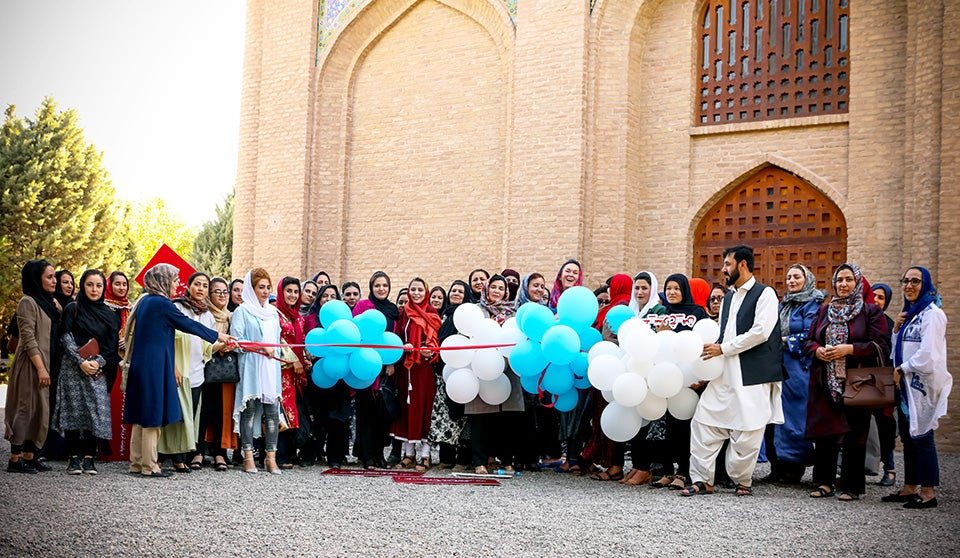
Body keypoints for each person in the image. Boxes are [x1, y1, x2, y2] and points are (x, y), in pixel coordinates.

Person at [682, 245, 785, 496]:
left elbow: (760, 332)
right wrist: (704, 368)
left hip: (751, 372)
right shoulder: (728, 297)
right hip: (723, 372)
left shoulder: (765, 294)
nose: (723, 269)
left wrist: (723, 349)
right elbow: (723, 335)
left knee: (748, 430)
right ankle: (702, 479)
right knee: (704, 421)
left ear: (742, 265)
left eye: (727, 264)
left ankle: (742, 481)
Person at [123, 264, 231, 478]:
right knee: (152, 415)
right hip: (154, 366)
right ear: (163, 281)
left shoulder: (144, 301)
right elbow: (187, 324)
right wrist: (218, 336)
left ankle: (136, 463)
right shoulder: (162, 303)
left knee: (139, 415)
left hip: (140, 363)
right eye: (174, 280)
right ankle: (150, 466)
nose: (177, 285)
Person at [804, 263, 889, 501]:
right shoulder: (824, 311)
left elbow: (879, 345)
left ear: (858, 282)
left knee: (855, 432)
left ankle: (851, 485)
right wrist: (818, 350)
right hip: (825, 381)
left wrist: (849, 349)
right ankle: (824, 482)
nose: (843, 284)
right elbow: (809, 340)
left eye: (848, 279)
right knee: (825, 433)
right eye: (839, 280)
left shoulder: (870, 312)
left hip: (856, 381)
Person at [882, 267, 952, 509]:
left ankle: (928, 492)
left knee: (923, 436)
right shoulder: (910, 314)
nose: (909, 285)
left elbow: (928, 355)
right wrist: (895, 330)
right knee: (909, 437)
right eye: (906, 281)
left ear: (926, 284)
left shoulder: (932, 314)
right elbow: (897, 350)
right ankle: (910, 487)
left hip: (922, 385)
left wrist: (903, 369)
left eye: (915, 281)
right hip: (906, 386)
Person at [52, 269, 120, 475]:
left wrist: (97, 363)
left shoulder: (110, 314)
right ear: (83, 285)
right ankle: (73, 458)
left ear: (103, 288)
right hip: (73, 367)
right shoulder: (73, 308)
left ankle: (90, 457)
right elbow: (65, 336)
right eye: (90, 284)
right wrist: (80, 361)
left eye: (99, 285)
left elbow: (111, 345)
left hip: (97, 370)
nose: (94, 289)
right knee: (73, 411)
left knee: (93, 411)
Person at [648, 273, 710, 490]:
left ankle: (683, 472)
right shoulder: (663, 314)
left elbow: (704, 342)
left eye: (676, 288)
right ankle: (667, 471)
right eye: (669, 288)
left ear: (684, 290)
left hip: (689, 380)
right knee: (666, 427)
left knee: (684, 426)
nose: (672, 292)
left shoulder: (697, 313)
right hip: (666, 379)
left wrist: (702, 376)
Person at [766, 264, 824, 484]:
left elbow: (812, 333)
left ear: (807, 279)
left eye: (797, 277)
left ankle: (795, 466)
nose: (791, 281)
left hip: (799, 368)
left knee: (795, 416)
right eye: (788, 277)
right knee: (774, 415)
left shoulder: (813, 305)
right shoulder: (783, 306)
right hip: (777, 366)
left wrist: (784, 341)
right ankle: (777, 464)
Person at [160, 272, 222, 472]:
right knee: (171, 415)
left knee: (189, 417)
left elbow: (207, 349)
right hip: (177, 370)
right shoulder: (176, 308)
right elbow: (167, 341)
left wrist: (223, 345)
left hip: (197, 373)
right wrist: (173, 368)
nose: (201, 289)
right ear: (188, 286)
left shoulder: (208, 315)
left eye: (205, 285)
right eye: (197, 284)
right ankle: (160, 456)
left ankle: (180, 458)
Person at [5, 260, 60, 473]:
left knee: (40, 411)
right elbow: (27, 338)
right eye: (49, 277)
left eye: (54, 276)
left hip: (46, 363)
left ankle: (30, 456)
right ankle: (15, 460)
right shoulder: (27, 302)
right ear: (36, 279)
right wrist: (40, 368)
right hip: (31, 364)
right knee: (25, 410)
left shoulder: (49, 302)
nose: (54, 280)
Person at [468, 275, 525, 474]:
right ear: (487, 288)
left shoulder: (513, 314)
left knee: (506, 418)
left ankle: (506, 459)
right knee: (481, 417)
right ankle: (479, 461)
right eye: (494, 287)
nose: (497, 291)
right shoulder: (477, 311)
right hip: (482, 367)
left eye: (501, 288)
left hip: (508, 369)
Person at [231, 268, 283, 475]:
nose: (265, 291)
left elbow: (277, 341)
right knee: (250, 410)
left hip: (270, 368)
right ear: (251, 290)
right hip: (251, 365)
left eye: (268, 287)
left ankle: (271, 458)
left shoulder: (273, 313)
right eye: (261, 287)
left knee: (272, 412)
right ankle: (248, 457)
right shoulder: (242, 311)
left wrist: (274, 351)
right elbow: (237, 341)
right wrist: (261, 347)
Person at [583, 273, 634, 482]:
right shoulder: (625, 307)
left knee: (607, 418)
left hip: (608, 372)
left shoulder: (616, 310)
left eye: (611, 286)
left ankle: (613, 466)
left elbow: (608, 339)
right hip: (614, 372)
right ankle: (611, 463)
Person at [352, 271, 401, 469]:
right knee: (365, 413)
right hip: (364, 365)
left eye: (385, 286)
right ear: (371, 287)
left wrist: (391, 363)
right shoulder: (363, 306)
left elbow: (394, 338)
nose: (381, 289)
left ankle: (380, 454)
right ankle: (367, 456)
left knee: (382, 414)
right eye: (377, 285)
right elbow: (355, 332)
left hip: (385, 369)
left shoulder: (392, 310)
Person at [393, 278, 442, 471]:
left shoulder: (431, 312)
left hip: (424, 369)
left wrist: (428, 349)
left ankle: (425, 455)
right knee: (407, 408)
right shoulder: (404, 312)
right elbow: (398, 336)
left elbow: (434, 338)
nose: (416, 293)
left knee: (424, 408)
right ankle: (409, 454)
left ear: (426, 292)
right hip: (406, 368)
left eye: (420, 290)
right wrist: (403, 346)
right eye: (412, 289)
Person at [431, 280, 472, 469]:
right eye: (453, 290)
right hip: (442, 373)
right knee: (443, 416)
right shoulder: (444, 315)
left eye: (460, 291)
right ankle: (446, 458)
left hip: (462, 373)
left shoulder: (468, 315)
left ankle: (462, 459)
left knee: (461, 417)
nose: (456, 293)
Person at [201, 277, 238, 471]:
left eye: (225, 291)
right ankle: (198, 451)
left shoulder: (231, 316)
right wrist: (220, 346)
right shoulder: (204, 314)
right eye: (218, 292)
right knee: (204, 410)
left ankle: (219, 453)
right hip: (205, 367)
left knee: (223, 412)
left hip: (226, 372)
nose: (222, 295)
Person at [276, 277, 310, 469]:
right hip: (281, 369)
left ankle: (290, 452)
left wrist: (305, 359)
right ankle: (279, 454)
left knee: (294, 411)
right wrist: (294, 360)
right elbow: (278, 341)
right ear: (282, 292)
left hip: (296, 373)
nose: (293, 295)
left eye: (296, 292)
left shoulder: (298, 317)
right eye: (289, 291)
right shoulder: (275, 314)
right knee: (282, 410)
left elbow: (301, 342)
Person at [868, 282, 898, 487]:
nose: (876, 301)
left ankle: (890, 469)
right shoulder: (861, 320)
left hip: (883, 381)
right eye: (874, 296)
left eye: (881, 298)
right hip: (860, 380)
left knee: (885, 425)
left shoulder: (889, 324)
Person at [103, 271, 133, 462]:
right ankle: (108, 451)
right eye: (117, 284)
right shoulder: (104, 308)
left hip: (128, 363)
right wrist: (115, 343)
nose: (121, 288)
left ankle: (125, 450)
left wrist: (130, 340)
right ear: (110, 286)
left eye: (124, 284)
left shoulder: (131, 308)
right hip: (109, 363)